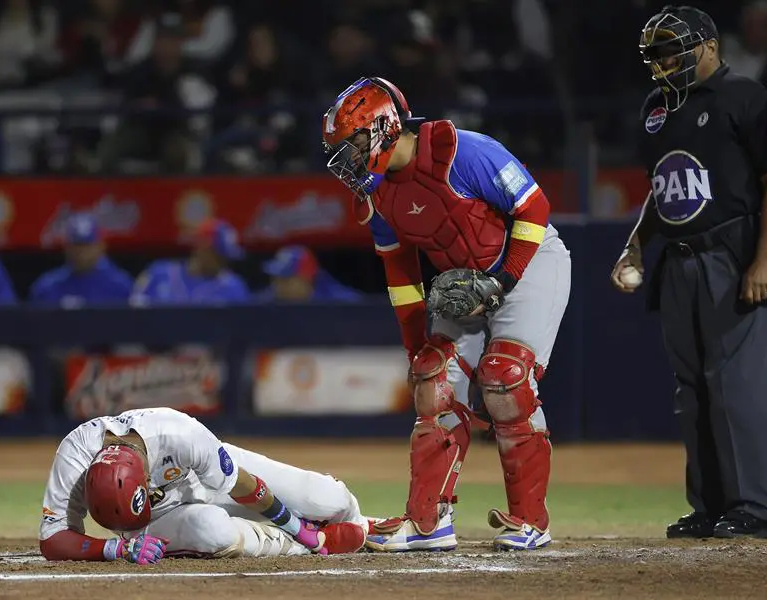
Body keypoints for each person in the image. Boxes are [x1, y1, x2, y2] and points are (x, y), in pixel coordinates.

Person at [322, 77, 571, 551]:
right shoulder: (376, 195)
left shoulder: (462, 150)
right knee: (432, 377)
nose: (347, 159)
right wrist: (418, 346)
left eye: (352, 142)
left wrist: (504, 282)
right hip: (465, 281)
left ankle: (530, 520)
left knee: (505, 378)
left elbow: (535, 208)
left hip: (529, 263)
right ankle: (429, 521)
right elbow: (399, 272)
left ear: (383, 127)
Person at [611, 5, 767, 539]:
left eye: (671, 49)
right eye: (655, 53)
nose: (662, 62)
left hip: (731, 252)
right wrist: (635, 245)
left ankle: (755, 507)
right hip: (677, 258)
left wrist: (765, 259)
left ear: (708, 44)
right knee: (692, 390)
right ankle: (710, 506)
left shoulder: (745, 97)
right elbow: (660, 190)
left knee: (736, 385)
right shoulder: (655, 108)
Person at [39, 407, 367, 562]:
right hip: (154, 520)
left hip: (207, 477)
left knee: (329, 499)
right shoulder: (74, 457)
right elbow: (52, 538)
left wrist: (296, 524)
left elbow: (241, 484)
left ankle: (363, 523)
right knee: (214, 532)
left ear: (146, 474)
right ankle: (311, 542)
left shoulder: (179, 433)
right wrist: (115, 547)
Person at [130, 219, 250, 306]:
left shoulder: (234, 287)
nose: (223, 264)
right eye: (219, 256)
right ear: (202, 247)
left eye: (226, 259)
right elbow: (134, 313)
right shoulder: (159, 273)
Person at [29, 214, 133, 308]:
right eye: (77, 245)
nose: (81, 252)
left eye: (87, 246)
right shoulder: (47, 287)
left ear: (101, 247)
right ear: (66, 247)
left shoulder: (120, 287)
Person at [255, 245, 361, 303]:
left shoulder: (341, 304)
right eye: (274, 279)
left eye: (285, 280)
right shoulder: (269, 300)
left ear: (307, 279)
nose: (277, 286)